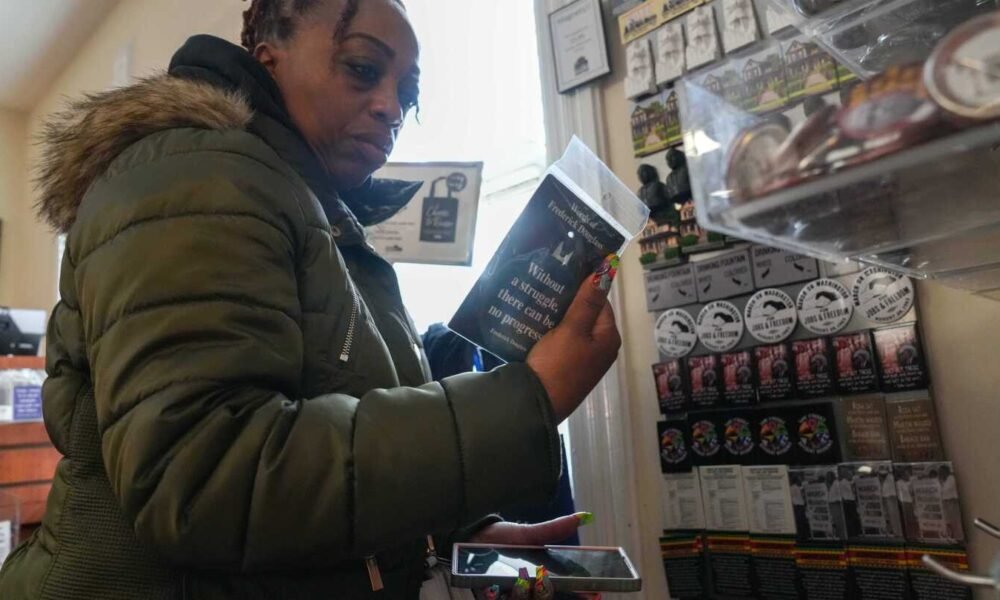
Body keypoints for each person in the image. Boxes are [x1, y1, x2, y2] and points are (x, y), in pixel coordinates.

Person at [0, 1, 622, 598]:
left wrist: (444, 537)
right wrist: (528, 400)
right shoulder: (197, 172)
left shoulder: (314, 214)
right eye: (363, 68)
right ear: (269, 57)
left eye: (407, 94)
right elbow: (203, 481)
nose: (390, 106)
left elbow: (333, 424)